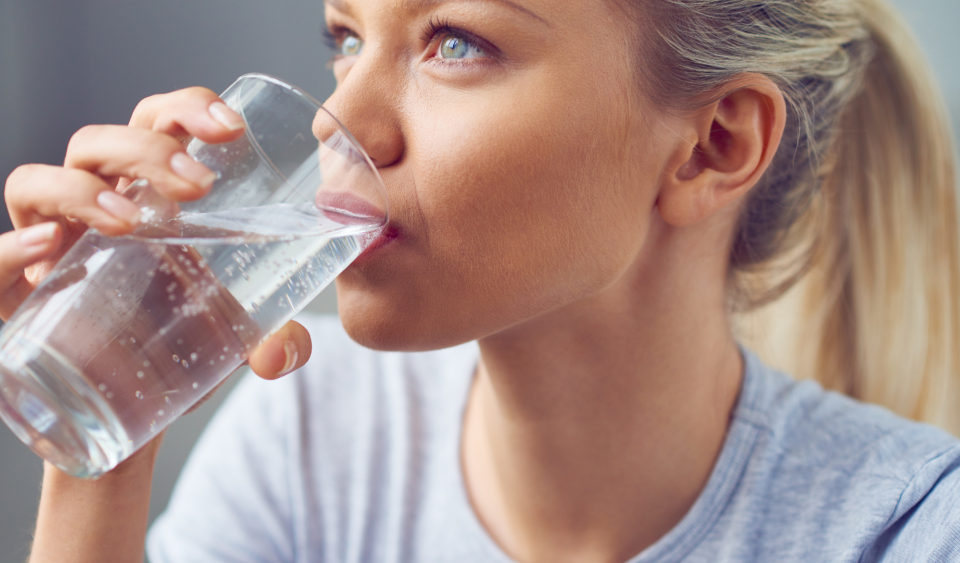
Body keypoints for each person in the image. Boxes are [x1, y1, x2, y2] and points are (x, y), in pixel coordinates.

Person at [6, 0, 960, 560]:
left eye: (455, 42)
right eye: (346, 35)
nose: (343, 126)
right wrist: (103, 436)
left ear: (712, 147)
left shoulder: (909, 527)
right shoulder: (314, 434)